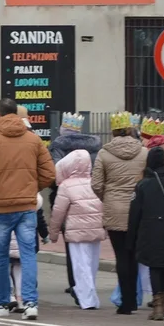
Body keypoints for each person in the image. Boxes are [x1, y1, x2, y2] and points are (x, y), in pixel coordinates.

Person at [0, 98, 56, 320]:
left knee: (1, 255)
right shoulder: (33, 140)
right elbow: (49, 173)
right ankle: (30, 302)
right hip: (26, 205)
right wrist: (32, 188)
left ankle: (2, 303)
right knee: (28, 253)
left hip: (1, 207)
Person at [92, 111, 148, 315]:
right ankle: (134, 299)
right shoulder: (144, 152)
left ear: (113, 131)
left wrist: (107, 197)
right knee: (135, 255)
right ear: (131, 129)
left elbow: (96, 184)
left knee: (121, 256)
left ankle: (126, 303)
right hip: (138, 209)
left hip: (114, 208)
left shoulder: (104, 154)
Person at [127, 147, 164, 321]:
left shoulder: (142, 185)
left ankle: (158, 304)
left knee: (154, 266)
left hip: (149, 230)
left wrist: (131, 239)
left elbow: (134, 214)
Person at [49, 113, 103, 297]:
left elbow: (54, 171)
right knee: (92, 243)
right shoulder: (95, 146)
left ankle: (75, 283)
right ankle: (88, 282)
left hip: (67, 195)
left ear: (63, 130)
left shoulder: (58, 146)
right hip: (93, 195)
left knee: (73, 241)